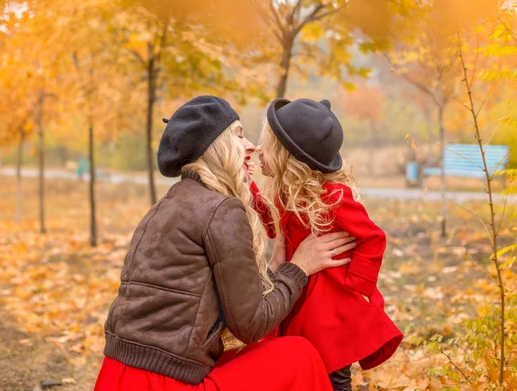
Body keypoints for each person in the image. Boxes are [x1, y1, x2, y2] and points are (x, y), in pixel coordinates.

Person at [95, 95, 357, 391]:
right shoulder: (221, 209)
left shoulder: (166, 205)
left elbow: (236, 307)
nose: (251, 148)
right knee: (299, 354)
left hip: (118, 377)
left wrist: (274, 269)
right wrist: (299, 267)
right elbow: (251, 326)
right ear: (215, 147)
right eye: (238, 135)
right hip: (163, 382)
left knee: (251, 358)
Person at [252, 98, 404, 391]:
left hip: (329, 306)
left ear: (286, 155)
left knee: (332, 372)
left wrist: (354, 284)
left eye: (265, 144)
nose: (258, 150)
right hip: (298, 296)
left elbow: (373, 238)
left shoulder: (333, 197)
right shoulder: (284, 194)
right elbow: (272, 226)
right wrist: (247, 185)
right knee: (302, 368)